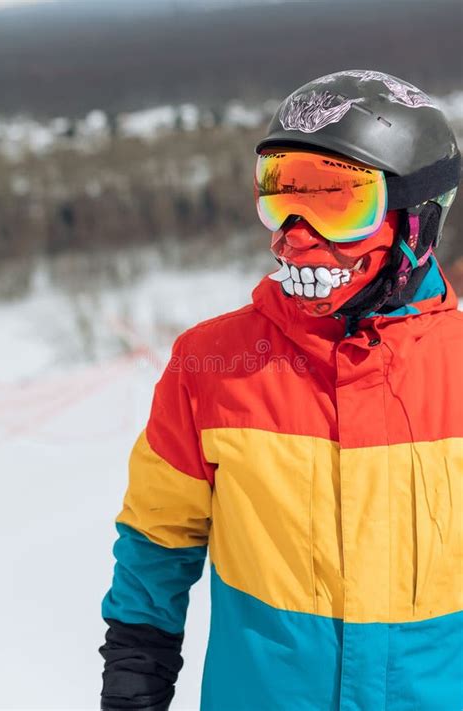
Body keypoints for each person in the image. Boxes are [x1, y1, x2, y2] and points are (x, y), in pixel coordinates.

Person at [99, 70, 462, 711]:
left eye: (337, 202)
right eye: (282, 194)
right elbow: (158, 542)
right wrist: (133, 692)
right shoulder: (211, 364)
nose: (292, 234)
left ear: (417, 221)